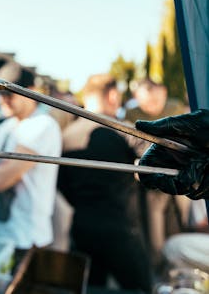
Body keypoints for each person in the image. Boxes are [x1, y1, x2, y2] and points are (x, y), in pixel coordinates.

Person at [58, 74, 152, 291]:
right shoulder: (120, 128)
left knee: (90, 288)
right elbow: (152, 164)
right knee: (141, 288)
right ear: (112, 95)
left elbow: (61, 185)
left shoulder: (67, 134)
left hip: (81, 228)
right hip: (120, 228)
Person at [0, 67, 61, 265]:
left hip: (26, 238)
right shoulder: (5, 126)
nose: (2, 100)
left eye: (9, 94)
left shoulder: (42, 125)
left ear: (30, 92)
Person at [125, 78, 190, 269]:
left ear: (163, 92)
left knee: (184, 217)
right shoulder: (132, 114)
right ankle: (157, 265)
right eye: (145, 102)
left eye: (155, 101)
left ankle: (181, 260)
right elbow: (132, 142)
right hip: (153, 174)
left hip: (180, 171)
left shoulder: (176, 107)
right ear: (137, 98)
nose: (151, 106)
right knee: (154, 223)